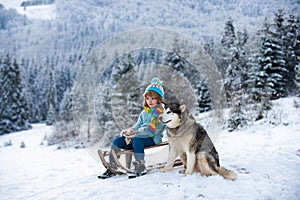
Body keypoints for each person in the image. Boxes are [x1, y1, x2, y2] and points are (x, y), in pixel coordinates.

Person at [99, 78, 166, 179]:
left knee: (137, 139)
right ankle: (112, 167)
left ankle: (140, 166)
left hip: (152, 138)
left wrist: (135, 133)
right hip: (138, 138)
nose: (150, 101)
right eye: (148, 98)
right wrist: (130, 131)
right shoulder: (144, 112)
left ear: (159, 99)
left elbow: (151, 130)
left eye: (153, 98)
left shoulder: (160, 112)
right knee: (117, 141)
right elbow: (138, 125)